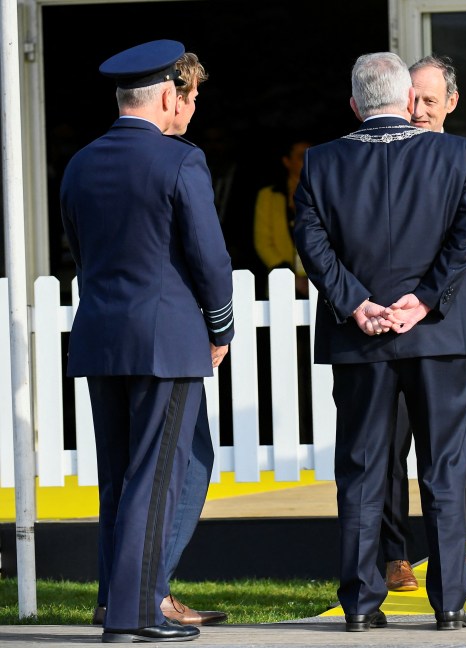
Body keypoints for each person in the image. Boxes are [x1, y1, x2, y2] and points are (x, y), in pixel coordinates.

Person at [292, 51, 466, 632]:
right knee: (444, 467)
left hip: (361, 339)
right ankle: (449, 601)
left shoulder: (321, 162)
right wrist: (425, 298)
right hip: (439, 335)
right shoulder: (457, 154)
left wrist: (356, 302)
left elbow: (311, 240)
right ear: (407, 102)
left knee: (360, 468)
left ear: (354, 105)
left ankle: (359, 603)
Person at [60, 39, 234, 642]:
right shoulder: (180, 161)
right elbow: (210, 259)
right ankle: (138, 611)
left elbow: (80, 252)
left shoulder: (80, 163)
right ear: (166, 95)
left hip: (103, 336)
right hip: (167, 340)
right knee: (159, 476)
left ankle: (116, 602)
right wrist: (221, 327)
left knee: (119, 477)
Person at [380, 54, 466, 594]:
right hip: (388, 323)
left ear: (452, 103)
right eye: (413, 98)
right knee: (388, 445)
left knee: (452, 447)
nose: (420, 108)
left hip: (450, 319)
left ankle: (454, 550)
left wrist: (450, 268)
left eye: (431, 99)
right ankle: (393, 556)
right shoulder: (378, 153)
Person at [253, 135, 313, 299]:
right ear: (287, 162)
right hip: (281, 279)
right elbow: (263, 242)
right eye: (302, 156)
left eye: (311, 154)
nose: (308, 160)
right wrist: (290, 276)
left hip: (319, 281)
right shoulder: (269, 196)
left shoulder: (325, 193)